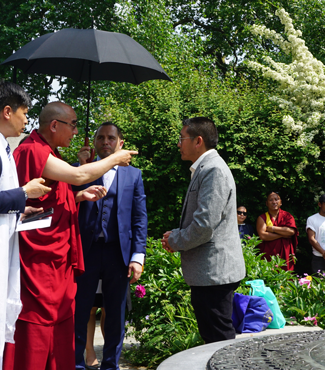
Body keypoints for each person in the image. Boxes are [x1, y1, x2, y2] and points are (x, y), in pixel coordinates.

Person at [9, 102, 137, 370]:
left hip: (59, 259)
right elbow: (79, 175)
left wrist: (76, 197)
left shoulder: (49, 151)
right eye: (73, 124)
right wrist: (115, 157)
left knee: (63, 322)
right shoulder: (33, 150)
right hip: (40, 262)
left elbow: (49, 201)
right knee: (40, 323)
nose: (76, 132)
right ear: (54, 125)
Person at [0, 81, 52, 370]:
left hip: (2, 236)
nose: (27, 120)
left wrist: (21, 210)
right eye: (24, 113)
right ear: (7, 111)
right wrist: (24, 193)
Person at [161, 117, 246, 344]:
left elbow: (204, 226)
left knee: (218, 341)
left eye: (182, 138)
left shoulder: (213, 170)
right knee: (214, 338)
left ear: (198, 141)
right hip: (210, 274)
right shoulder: (207, 168)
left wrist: (176, 239)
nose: (178, 144)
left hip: (213, 274)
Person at [73, 122, 148, 370]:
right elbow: (68, 199)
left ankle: (110, 366)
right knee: (80, 309)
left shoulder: (134, 175)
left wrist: (138, 256)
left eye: (111, 138)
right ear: (94, 142)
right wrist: (83, 167)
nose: (106, 142)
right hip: (86, 251)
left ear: (120, 143)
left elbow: (139, 217)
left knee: (115, 313)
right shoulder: (79, 170)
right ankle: (76, 364)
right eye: (101, 138)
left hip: (118, 253)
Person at [255, 192, 299, 270]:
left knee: (286, 278)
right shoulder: (262, 218)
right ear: (266, 203)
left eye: (276, 199)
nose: (274, 202)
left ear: (280, 202)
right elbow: (263, 236)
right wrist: (282, 234)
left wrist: (273, 229)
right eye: (271, 200)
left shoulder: (287, 216)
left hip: (286, 254)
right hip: (268, 255)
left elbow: (291, 232)